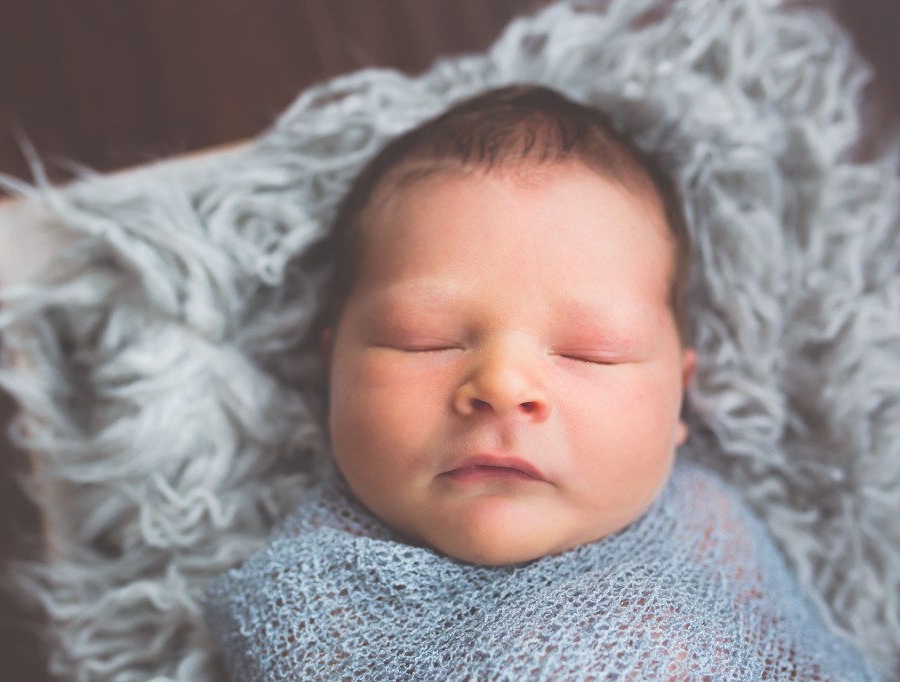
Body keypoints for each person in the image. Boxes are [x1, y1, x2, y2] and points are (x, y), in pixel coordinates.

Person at [202, 85, 882, 680]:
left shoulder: (714, 533)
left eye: (592, 353)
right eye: (424, 339)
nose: (501, 383)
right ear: (333, 371)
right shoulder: (307, 598)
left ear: (680, 394)